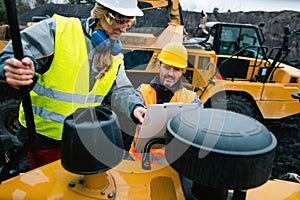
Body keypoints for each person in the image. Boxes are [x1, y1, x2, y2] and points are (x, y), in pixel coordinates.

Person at [0, 0, 146, 169]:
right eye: (119, 19)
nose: (124, 27)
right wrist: (16, 66)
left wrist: (134, 106)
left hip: (81, 135)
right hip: (44, 136)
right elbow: (18, 52)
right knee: (50, 184)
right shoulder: (59, 30)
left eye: (130, 21)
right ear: (100, 13)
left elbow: (121, 89)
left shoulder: (115, 56)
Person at [129, 42, 203, 164]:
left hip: (171, 164)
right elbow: (131, 102)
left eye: (176, 69)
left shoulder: (191, 100)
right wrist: (135, 108)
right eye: (167, 67)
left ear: (182, 71)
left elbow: (202, 127)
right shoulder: (142, 91)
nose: (170, 73)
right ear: (159, 66)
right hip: (137, 159)